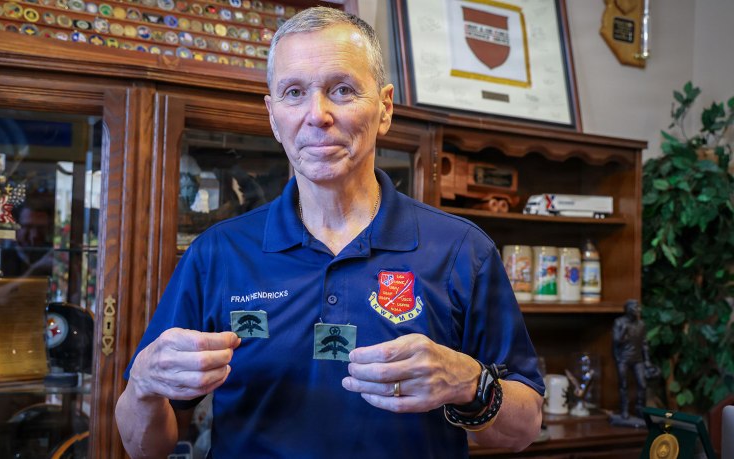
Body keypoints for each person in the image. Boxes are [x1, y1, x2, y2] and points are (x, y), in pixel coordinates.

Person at [115, 7, 544, 458]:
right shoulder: (218, 254)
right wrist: (142, 385)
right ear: (273, 116)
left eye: (342, 90)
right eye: (294, 92)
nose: (316, 115)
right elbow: (145, 448)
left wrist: (469, 383)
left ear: (385, 108)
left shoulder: (461, 250)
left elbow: (525, 426)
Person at [612, 299, 655, 420]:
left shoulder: (641, 324)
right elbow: (616, 341)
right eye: (635, 308)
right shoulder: (619, 322)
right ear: (628, 310)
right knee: (623, 384)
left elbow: (644, 343)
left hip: (638, 359)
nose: (638, 310)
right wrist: (624, 330)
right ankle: (624, 409)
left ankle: (640, 408)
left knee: (642, 384)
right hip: (623, 358)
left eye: (638, 307)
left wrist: (647, 360)